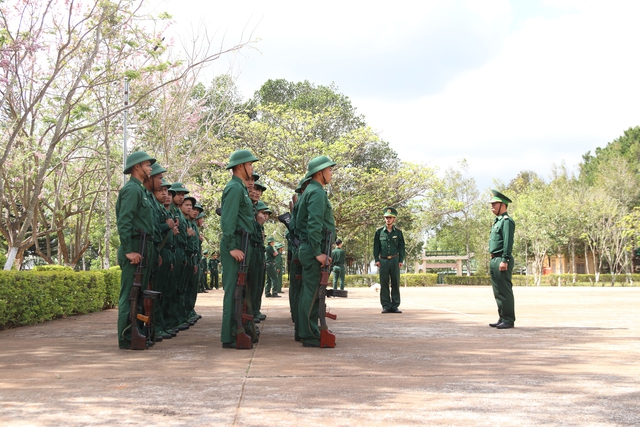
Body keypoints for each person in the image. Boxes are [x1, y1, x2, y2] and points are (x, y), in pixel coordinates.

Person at [115, 151, 155, 349]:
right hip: (134, 248)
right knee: (129, 295)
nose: (150, 168)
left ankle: (135, 333)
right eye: (148, 165)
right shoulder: (132, 189)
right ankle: (126, 337)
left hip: (142, 246)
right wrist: (129, 250)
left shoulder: (139, 189)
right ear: (137, 166)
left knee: (137, 295)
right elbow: (124, 220)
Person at [295, 155, 336, 348]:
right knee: (311, 294)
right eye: (329, 170)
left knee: (309, 293)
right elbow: (314, 224)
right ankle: (309, 333)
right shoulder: (317, 192)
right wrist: (318, 252)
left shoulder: (310, 191)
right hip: (313, 250)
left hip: (309, 248)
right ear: (319, 172)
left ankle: (307, 331)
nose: (331, 173)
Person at [220, 149, 259, 348]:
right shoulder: (234, 188)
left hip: (242, 243)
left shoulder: (241, 188)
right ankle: (229, 335)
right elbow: (228, 220)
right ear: (240, 166)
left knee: (239, 291)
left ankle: (237, 330)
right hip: (235, 244)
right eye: (250, 164)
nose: (252, 167)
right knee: (233, 291)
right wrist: (232, 247)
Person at [488, 189, 516, 329]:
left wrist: (505, 259)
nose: (492, 207)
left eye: (494, 204)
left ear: (503, 205)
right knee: (498, 291)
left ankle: (509, 319)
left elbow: (507, 242)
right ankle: (502, 317)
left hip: (502, 259)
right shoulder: (497, 221)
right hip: (494, 259)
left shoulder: (506, 221)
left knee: (505, 291)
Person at [373, 207, 405, 314]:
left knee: (395, 282)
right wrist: (376, 259)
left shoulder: (399, 232)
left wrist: (401, 260)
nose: (388, 219)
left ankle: (395, 305)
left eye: (390, 218)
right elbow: (376, 247)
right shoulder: (379, 232)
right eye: (386, 217)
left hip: (395, 260)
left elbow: (401, 247)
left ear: (394, 219)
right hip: (383, 261)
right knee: (384, 282)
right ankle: (386, 306)